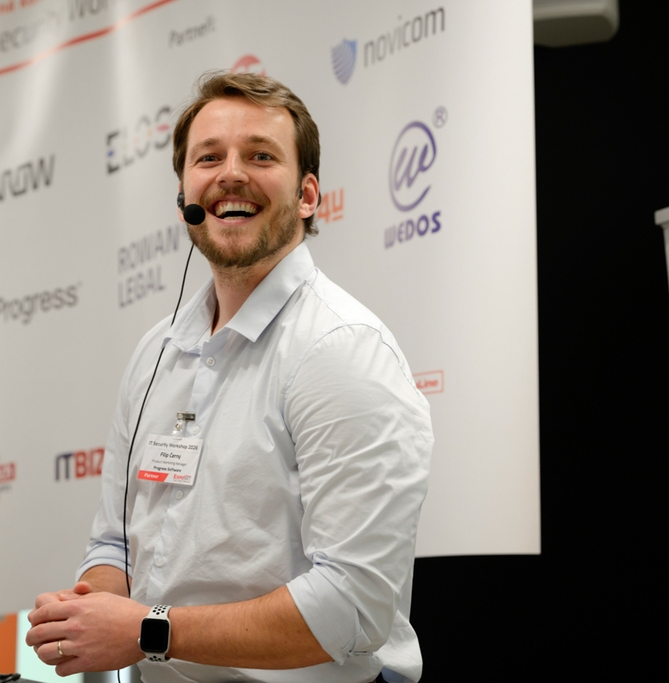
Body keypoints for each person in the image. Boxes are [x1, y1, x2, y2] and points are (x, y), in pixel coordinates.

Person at [25, 71, 434, 683]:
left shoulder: (341, 350)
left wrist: (146, 631)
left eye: (261, 156)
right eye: (208, 158)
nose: (231, 174)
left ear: (308, 195)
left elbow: (351, 607)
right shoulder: (156, 353)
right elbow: (114, 546)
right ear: (184, 195)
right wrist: (88, 613)